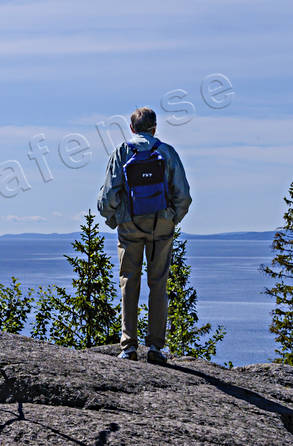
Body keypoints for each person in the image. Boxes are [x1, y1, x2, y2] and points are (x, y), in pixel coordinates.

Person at [97, 107, 192, 364]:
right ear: (154, 128)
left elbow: (108, 196)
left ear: (131, 129)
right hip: (161, 226)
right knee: (158, 283)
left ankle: (128, 345)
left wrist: (114, 219)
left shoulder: (122, 152)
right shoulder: (167, 152)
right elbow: (184, 196)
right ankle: (156, 347)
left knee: (129, 280)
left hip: (129, 225)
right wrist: (171, 218)